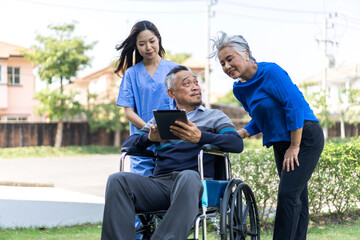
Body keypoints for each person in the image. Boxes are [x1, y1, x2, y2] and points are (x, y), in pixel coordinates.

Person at [101, 65, 244, 240]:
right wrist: (150, 138)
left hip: (196, 184)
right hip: (161, 184)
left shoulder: (215, 116)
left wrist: (201, 137)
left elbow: (236, 143)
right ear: (171, 93)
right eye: (187, 83)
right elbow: (128, 145)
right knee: (117, 180)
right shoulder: (161, 120)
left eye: (196, 82)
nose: (195, 87)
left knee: (189, 176)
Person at [210, 32, 324, 240]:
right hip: (281, 143)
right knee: (297, 197)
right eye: (222, 63)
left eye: (229, 59)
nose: (226, 66)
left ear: (245, 53)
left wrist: (295, 145)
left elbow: (294, 105)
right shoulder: (240, 89)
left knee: (288, 195)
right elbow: (262, 117)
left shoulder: (270, 72)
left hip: (304, 138)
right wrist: (244, 132)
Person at [115, 20, 179, 177]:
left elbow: (187, 106)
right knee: (143, 192)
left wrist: (165, 133)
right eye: (142, 44)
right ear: (136, 46)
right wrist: (151, 132)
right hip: (142, 143)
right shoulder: (131, 74)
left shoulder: (176, 70)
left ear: (158, 39)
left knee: (170, 188)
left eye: (152, 41)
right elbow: (128, 112)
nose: (148, 47)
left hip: (172, 143)